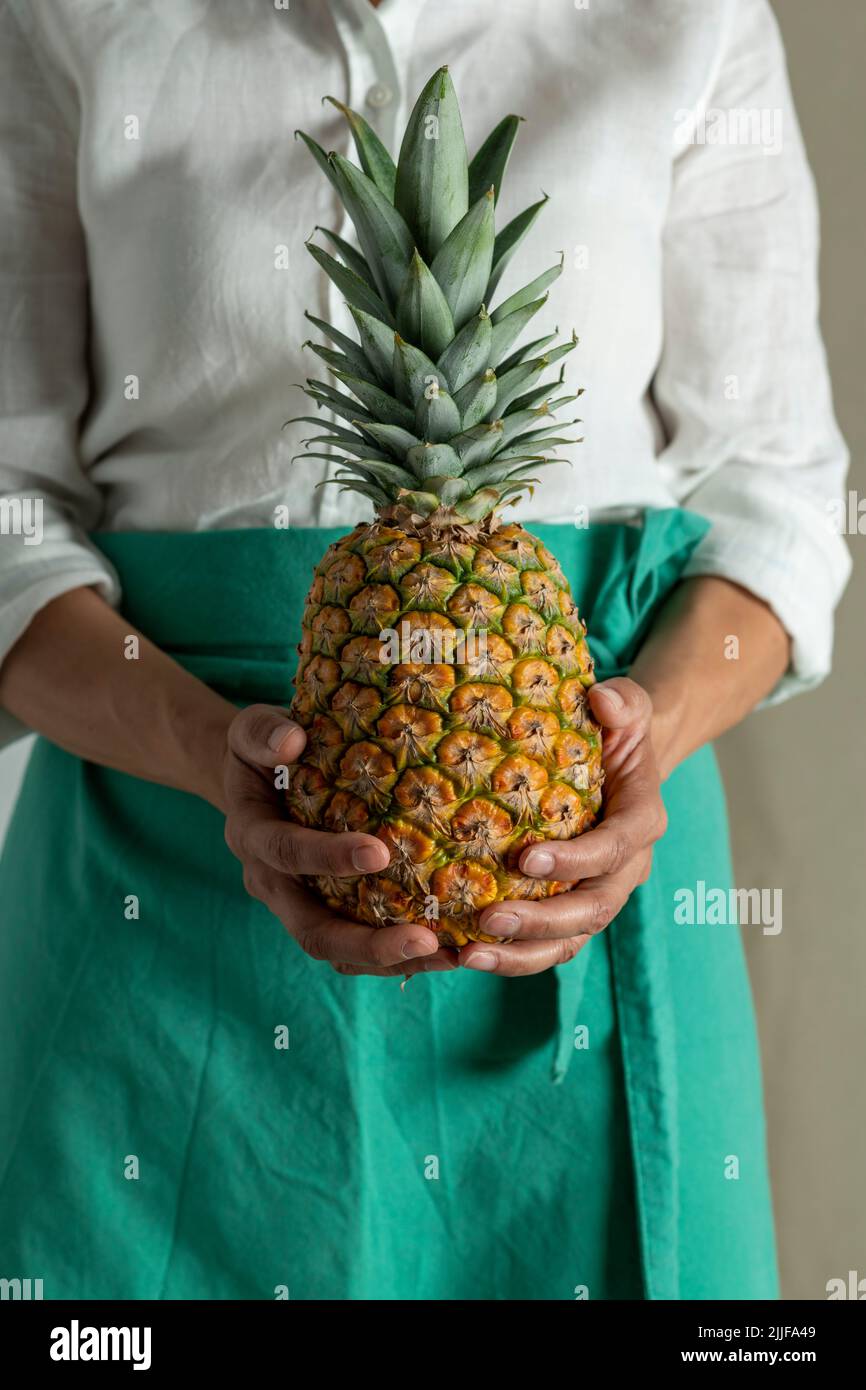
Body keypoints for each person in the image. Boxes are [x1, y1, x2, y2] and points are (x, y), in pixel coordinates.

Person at [0, 0, 850, 1300]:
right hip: (154, 846)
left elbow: (773, 492)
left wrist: (641, 741)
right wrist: (204, 746)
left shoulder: (692, 16)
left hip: (590, 839)